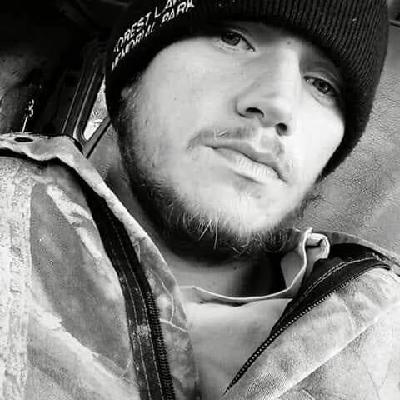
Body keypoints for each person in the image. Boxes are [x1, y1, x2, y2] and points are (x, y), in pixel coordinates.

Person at [1, 0, 400, 399]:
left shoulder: (385, 331)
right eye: (233, 39)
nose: (278, 105)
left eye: (322, 85)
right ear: (131, 77)